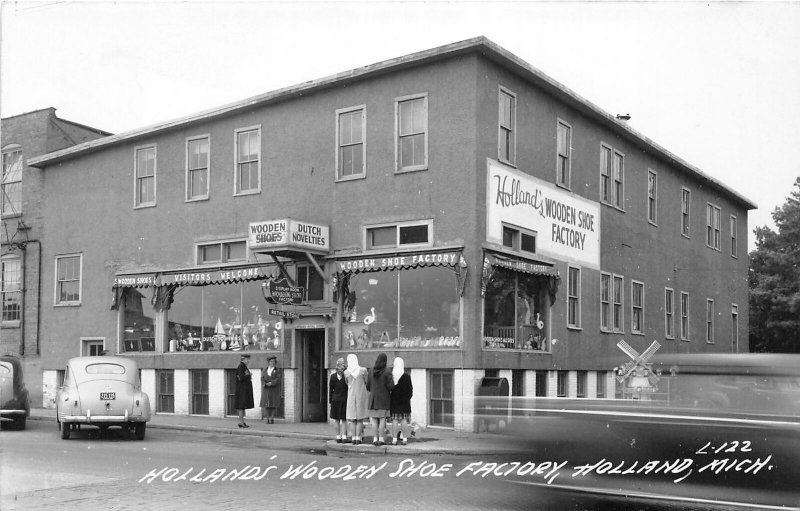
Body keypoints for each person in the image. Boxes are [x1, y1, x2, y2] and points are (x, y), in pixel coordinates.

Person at [366, 353, 395, 446]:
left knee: (374, 420)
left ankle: (375, 438)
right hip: (384, 399)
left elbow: (368, 385)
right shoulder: (387, 371)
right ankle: (381, 439)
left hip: (373, 399)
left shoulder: (370, 371)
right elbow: (391, 386)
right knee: (382, 419)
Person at [344, 353, 369, 445]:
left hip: (351, 396)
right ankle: (358, 437)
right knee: (360, 419)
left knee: (352, 419)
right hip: (361, 395)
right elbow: (366, 381)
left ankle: (353, 437)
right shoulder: (363, 370)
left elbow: (347, 383)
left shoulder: (346, 372)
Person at [390, 356, 413, 445]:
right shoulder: (406, 376)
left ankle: (394, 439)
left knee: (395, 420)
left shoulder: (391, 376)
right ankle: (405, 439)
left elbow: (389, 388)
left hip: (394, 402)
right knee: (404, 420)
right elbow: (410, 390)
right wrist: (407, 398)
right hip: (404, 402)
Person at [328, 357, 349, 443]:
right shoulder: (346, 375)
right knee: (344, 419)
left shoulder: (332, 376)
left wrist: (330, 401)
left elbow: (331, 389)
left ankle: (338, 436)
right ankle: (344, 436)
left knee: (336, 419)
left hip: (335, 400)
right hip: (344, 399)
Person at [234, 354, 254, 428]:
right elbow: (241, 377)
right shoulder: (241, 366)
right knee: (241, 406)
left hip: (244, 389)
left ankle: (242, 422)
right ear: (243, 359)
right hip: (241, 390)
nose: (248, 361)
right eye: (247, 359)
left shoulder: (243, 367)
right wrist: (249, 375)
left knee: (242, 406)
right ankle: (241, 422)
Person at [260, 355, 281, 423]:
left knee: (273, 404)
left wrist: (272, 383)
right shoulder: (265, 370)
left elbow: (278, 379)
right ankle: (267, 418)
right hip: (266, 389)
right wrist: (264, 384)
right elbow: (262, 378)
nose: (272, 363)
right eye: (271, 361)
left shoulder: (277, 370)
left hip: (274, 389)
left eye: (274, 361)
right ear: (268, 362)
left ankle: (272, 418)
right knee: (266, 405)